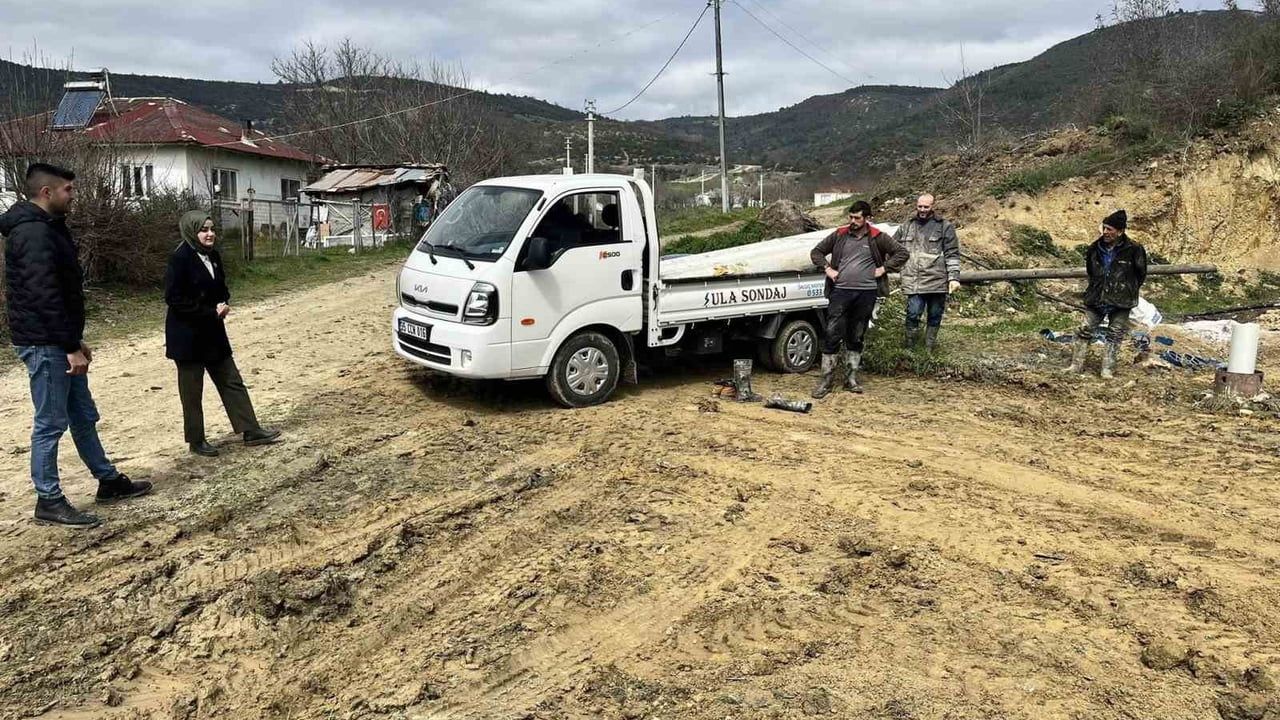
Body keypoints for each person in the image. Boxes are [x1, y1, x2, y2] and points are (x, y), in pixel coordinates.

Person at [1, 163, 151, 528]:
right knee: (50, 423)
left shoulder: (49, 228)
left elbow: (60, 294)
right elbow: (44, 296)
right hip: (45, 343)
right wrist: (68, 344)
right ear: (46, 193)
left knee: (82, 414)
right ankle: (48, 500)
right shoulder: (33, 234)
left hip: (59, 339)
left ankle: (107, 480)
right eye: (68, 190)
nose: (74, 196)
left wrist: (75, 339)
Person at [165, 211, 281, 455]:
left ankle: (251, 430)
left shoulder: (213, 256)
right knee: (192, 391)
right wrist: (209, 312)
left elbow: (221, 288)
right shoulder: (180, 258)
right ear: (192, 232)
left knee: (231, 380)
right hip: (187, 337)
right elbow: (174, 299)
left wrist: (223, 302)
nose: (210, 234)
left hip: (213, 333)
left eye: (212, 229)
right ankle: (197, 441)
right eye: (204, 230)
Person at [809, 201, 910, 398]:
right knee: (832, 333)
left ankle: (851, 378)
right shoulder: (839, 235)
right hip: (840, 292)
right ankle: (826, 380)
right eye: (851, 217)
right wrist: (828, 269)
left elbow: (902, 253)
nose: (853, 221)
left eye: (857, 218)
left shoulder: (877, 237)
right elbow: (816, 252)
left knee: (856, 335)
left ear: (868, 219)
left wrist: (884, 268)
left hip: (866, 293)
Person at [1069, 210, 1148, 379]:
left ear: (1120, 231)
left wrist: (1126, 289)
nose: (1105, 232)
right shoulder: (1094, 248)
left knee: (1115, 334)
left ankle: (1107, 369)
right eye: (1104, 228)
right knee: (1084, 329)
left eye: (1110, 229)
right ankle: (1076, 365)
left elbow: (1140, 274)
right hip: (1097, 296)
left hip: (1121, 300)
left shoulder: (1134, 249)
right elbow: (1091, 271)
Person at [896, 194, 962, 352]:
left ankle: (928, 349)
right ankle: (910, 350)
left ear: (933, 206)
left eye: (926, 207)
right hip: (914, 280)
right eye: (920, 206)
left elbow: (952, 254)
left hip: (937, 281)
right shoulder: (906, 226)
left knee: (934, 315)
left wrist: (953, 278)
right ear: (916, 206)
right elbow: (891, 248)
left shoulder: (945, 226)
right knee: (913, 314)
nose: (922, 210)